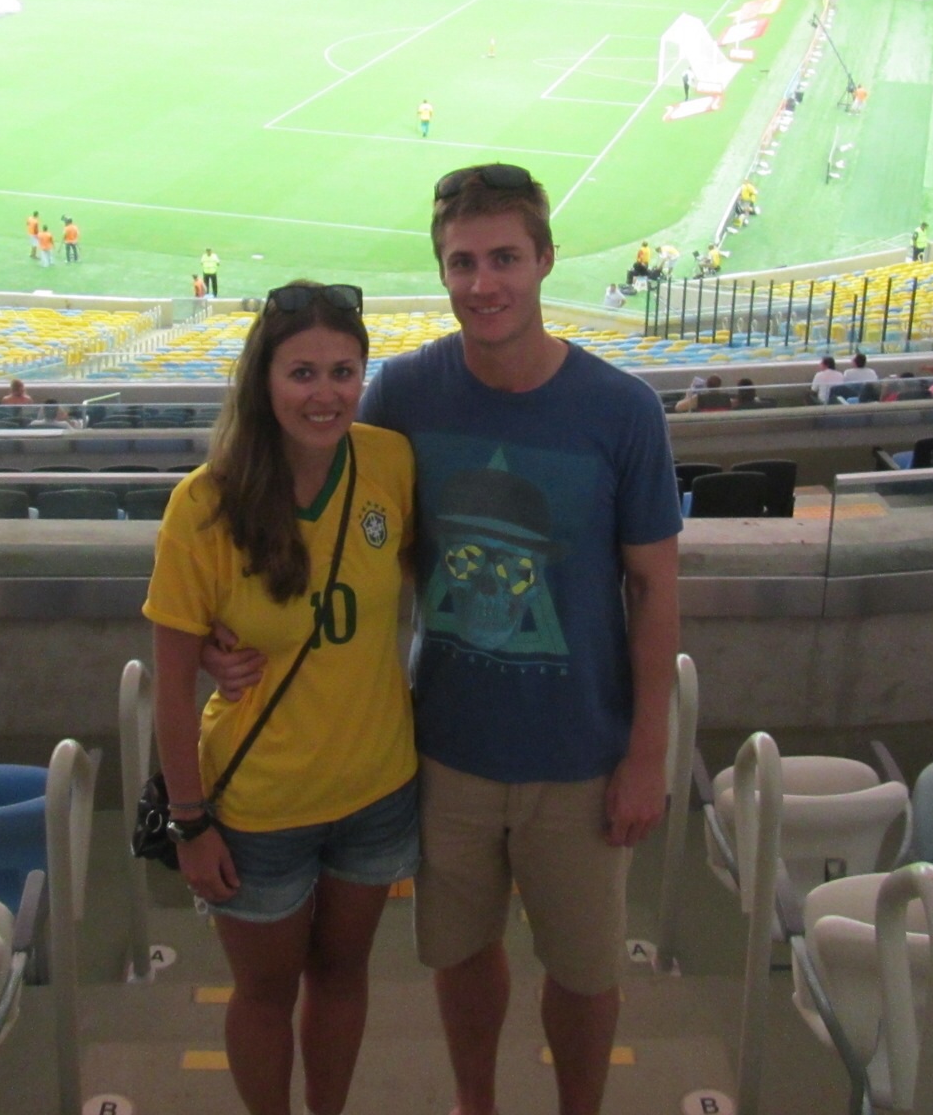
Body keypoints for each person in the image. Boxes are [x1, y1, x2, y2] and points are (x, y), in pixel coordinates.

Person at [210, 165, 679, 1115]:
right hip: (446, 750)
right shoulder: (405, 391)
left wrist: (646, 754)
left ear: (545, 260)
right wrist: (227, 626)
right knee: (463, 959)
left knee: (585, 975)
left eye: (504, 257)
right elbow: (312, 512)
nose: (483, 282)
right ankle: (478, 1106)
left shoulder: (623, 411)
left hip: (581, 757)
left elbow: (655, 587)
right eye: (462, 262)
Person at [146, 282, 418, 1115]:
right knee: (264, 995)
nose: (325, 393)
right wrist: (190, 822)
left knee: (343, 977)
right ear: (263, 379)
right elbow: (167, 682)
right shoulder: (204, 505)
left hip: (376, 790)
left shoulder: (390, 462)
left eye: (344, 371)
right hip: (259, 810)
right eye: (303, 373)